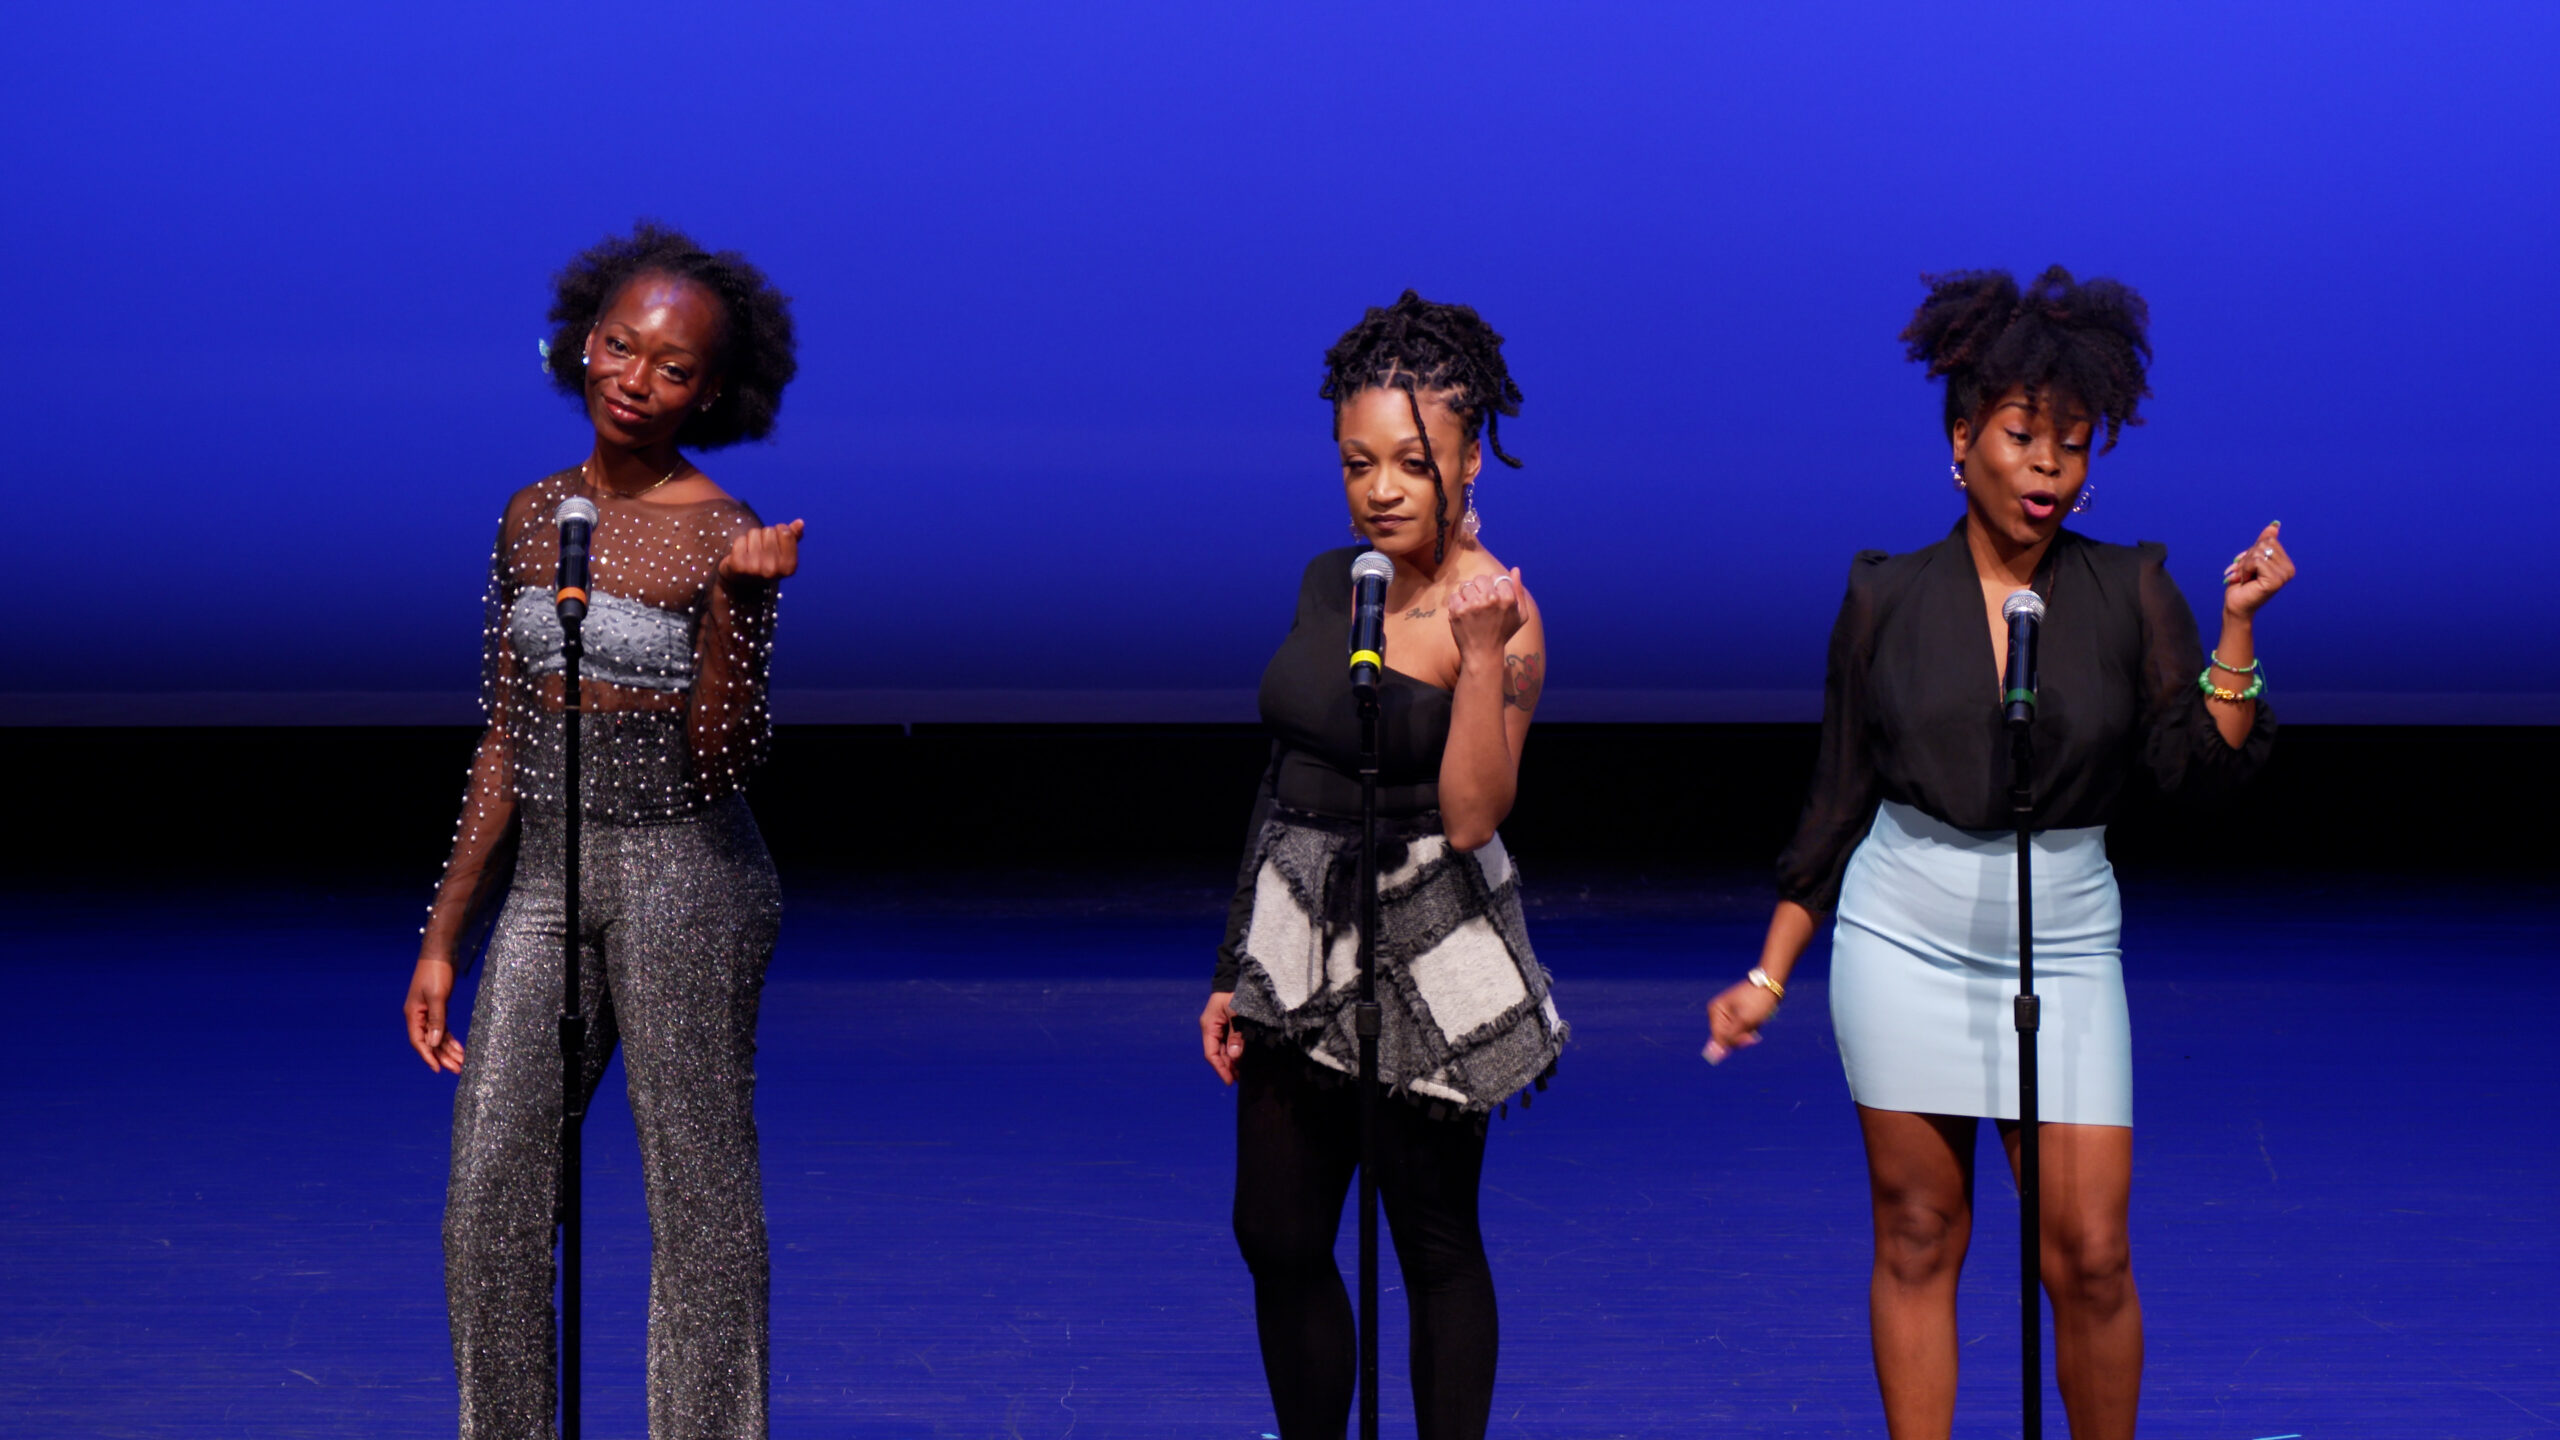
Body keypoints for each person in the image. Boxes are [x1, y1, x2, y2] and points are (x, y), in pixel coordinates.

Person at [1705, 266, 2295, 1440]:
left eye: (2072, 447)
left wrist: (2233, 628)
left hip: (2063, 935)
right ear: (1961, 439)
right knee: (1919, 1235)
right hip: (1901, 928)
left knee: (2090, 1255)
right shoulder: (1886, 597)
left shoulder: (2131, 591)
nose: (2047, 468)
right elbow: (1837, 796)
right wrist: (1768, 975)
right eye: (2023, 437)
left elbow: (2199, 770)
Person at [401, 221, 805, 1439]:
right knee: (489, 1194)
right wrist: (442, 939)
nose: (635, 378)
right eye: (619, 347)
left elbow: (723, 758)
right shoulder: (533, 517)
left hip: (690, 869)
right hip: (545, 873)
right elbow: (502, 736)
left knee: (698, 1198)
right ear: (581, 344)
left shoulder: (719, 526)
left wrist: (739, 611)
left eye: (672, 367)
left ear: (714, 392)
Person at [1197, 291, 1566, 1440]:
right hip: (1296, 928)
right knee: (1277, 1230)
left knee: (1431, 1239)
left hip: (1427, 932)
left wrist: (1474, 655)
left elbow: (1471, 815)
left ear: (1469, 463)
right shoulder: (1334, 581)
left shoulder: (1503, 613)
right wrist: (1232, 964)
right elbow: (1283, 773)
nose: (1383, 488)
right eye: (1359, 464)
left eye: (1412, 462)